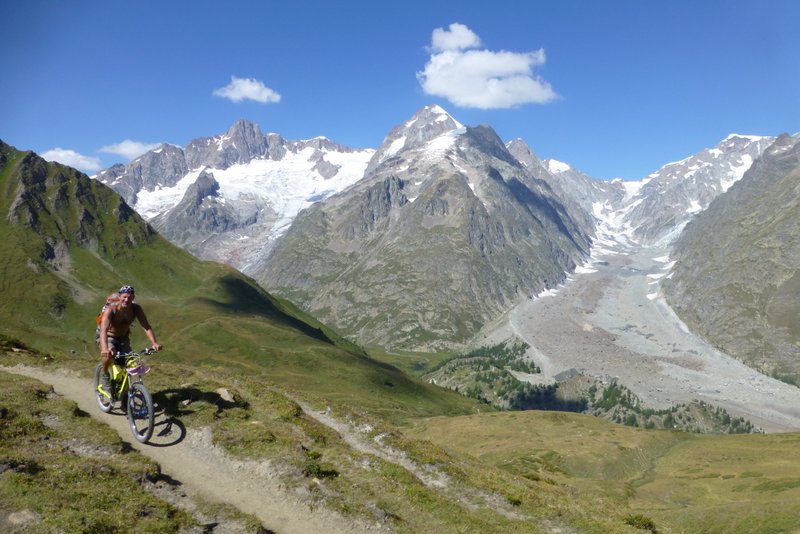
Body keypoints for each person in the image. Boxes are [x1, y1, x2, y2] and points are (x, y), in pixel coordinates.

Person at [98, 285, 162, 394]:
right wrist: (105, 349)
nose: (127, 300)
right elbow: (103, 330)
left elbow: (146, 326)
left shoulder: (136, 309)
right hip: (108, 337)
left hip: (123, 337)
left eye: (130, 297)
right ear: (120, 297)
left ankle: (124, 392)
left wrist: (154, 343)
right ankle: (105, 375)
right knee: (110, 353)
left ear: (133, 298)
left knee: (129, 360)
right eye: (124, 297)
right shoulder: (111, 309)